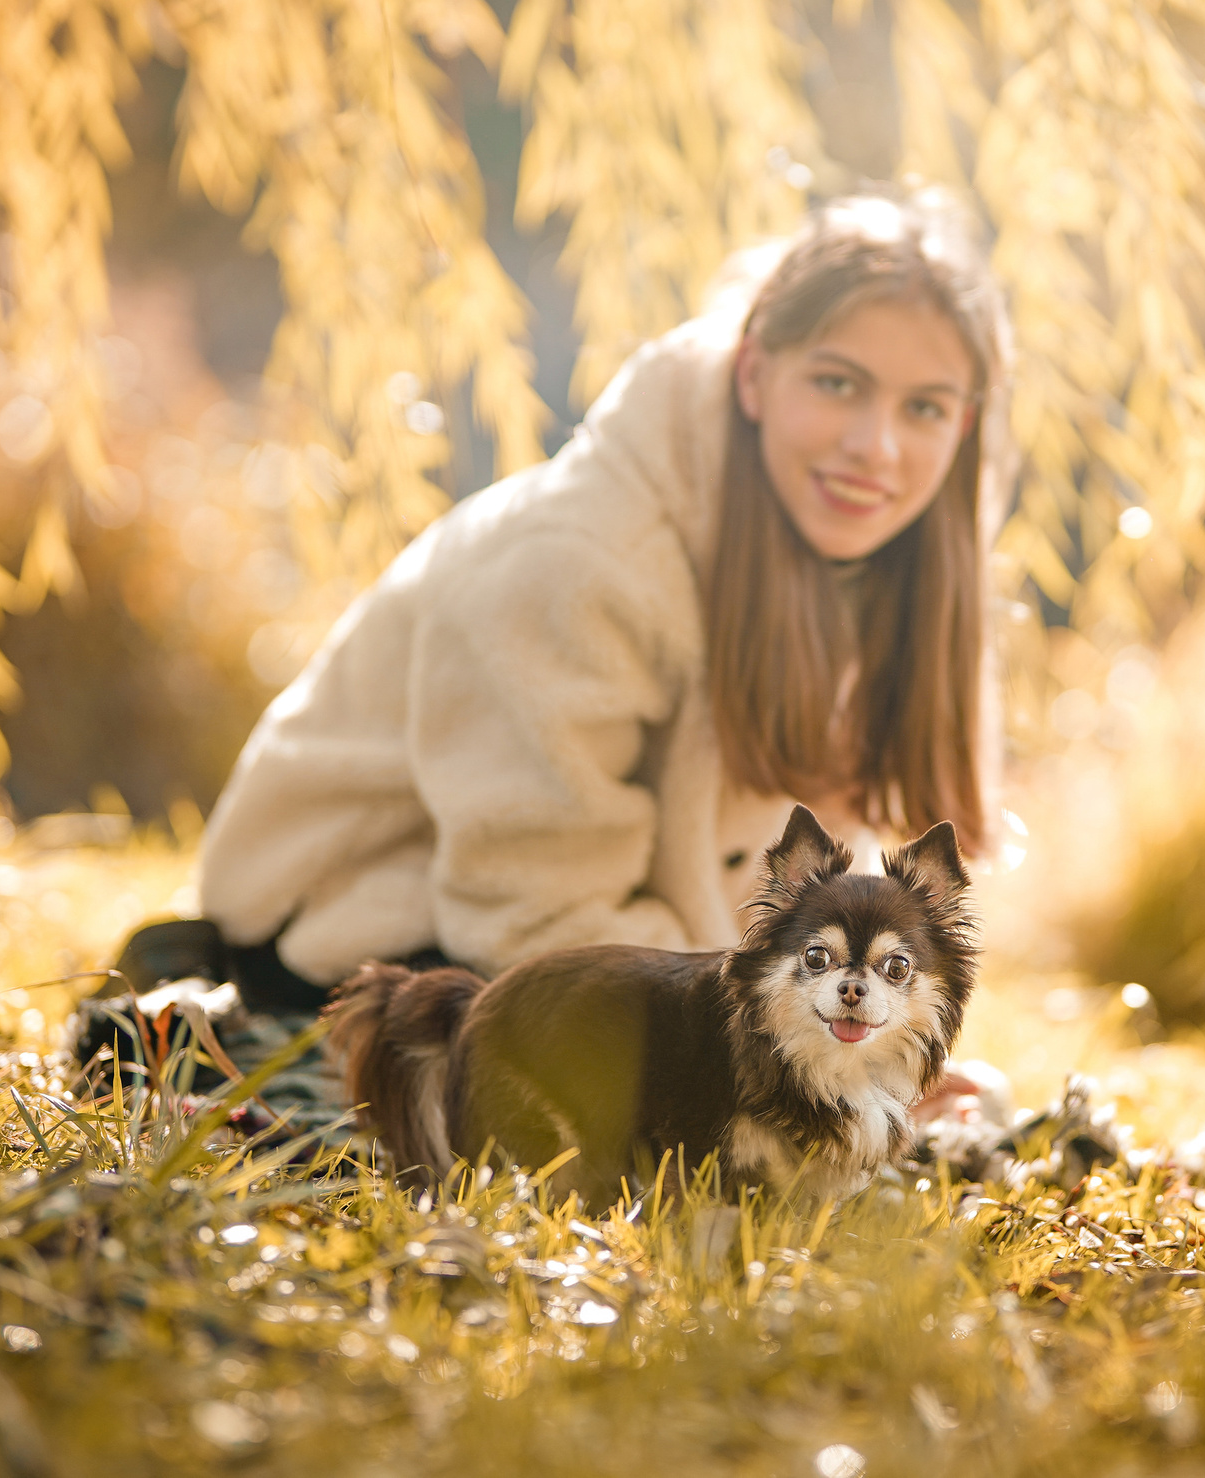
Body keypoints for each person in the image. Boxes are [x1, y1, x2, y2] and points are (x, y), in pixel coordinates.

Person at [88, 191, 1014, 1135]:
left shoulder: (881, 575)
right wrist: (781, 1047)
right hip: (357, 958)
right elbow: (535, 913)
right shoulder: (574, 564)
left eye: (926, 407)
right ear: (753, 375)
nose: (877, 447)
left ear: (967, 423)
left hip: (626, 979)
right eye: (838, 384)